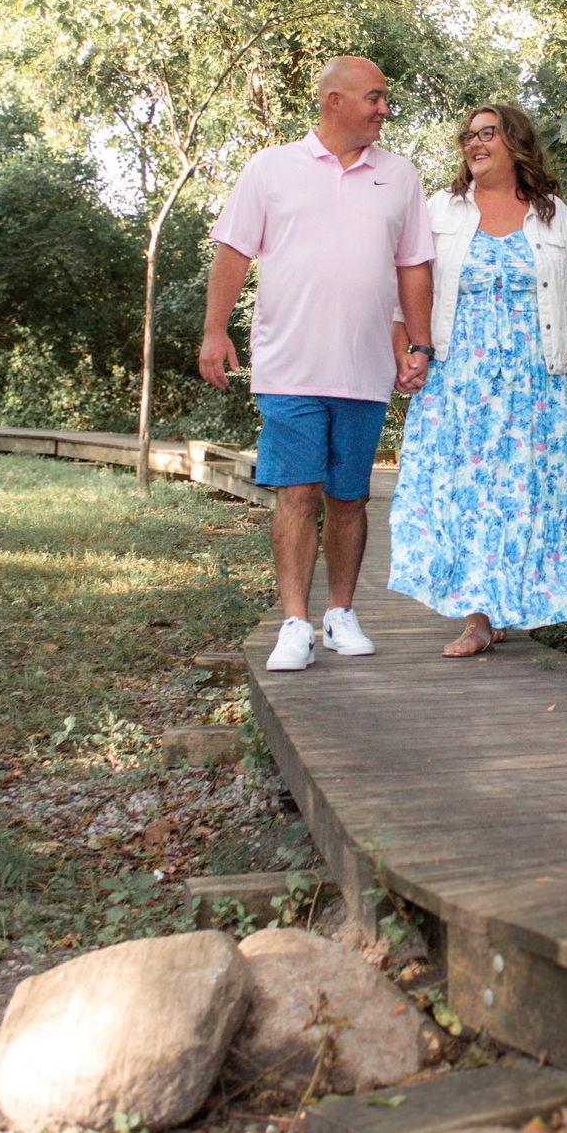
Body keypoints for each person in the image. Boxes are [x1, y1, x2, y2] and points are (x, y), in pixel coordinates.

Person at [200, 56, 436, 672]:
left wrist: (419, 344)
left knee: (349, 497)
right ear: (335, 101)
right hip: (289, 366)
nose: (384, 108)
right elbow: (233, 253)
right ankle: (294, 623)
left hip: (364, 369)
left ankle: (340, 613)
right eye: (374, 97)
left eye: (384, 98)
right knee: (297, 492)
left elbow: (414, 266)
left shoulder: (400, 176)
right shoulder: (270, 168)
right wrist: (214, 331)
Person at [387, 101, 567, 655]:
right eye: (469, 135)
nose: (474, 143)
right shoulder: (441, 211)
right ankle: (478, 618)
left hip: (534, 383)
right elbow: (407, 286)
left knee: (530, 495)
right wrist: (406, 349)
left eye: (487, 133)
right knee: (467, 495)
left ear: (515, 143)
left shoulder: (552, 216)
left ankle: (521, 602)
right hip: (460, 382)